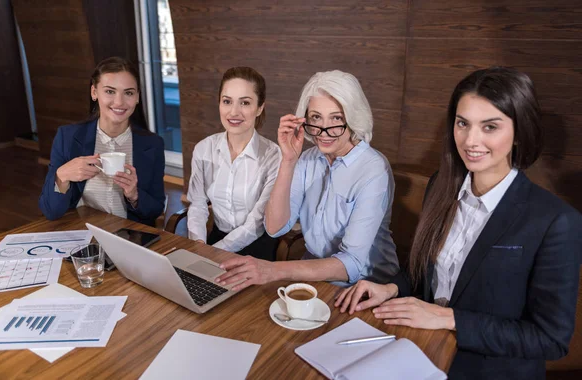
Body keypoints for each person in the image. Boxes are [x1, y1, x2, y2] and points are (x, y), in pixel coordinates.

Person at [335, 67, 582, 379]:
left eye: (490, 127)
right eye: (463, 123)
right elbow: (424, 274)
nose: (470, 140)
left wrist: (449, 318)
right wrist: (389, 288)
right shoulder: (441, 186)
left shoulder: (556, 221)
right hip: (419, 352)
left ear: (519, 132)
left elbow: (550, 339)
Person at [215, 70, 399, 290]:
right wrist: (288, 160)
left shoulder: (374, 168)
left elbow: (351, 263)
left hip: (366, 285)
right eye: (316, 117)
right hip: (315, 276)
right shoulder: (308, 159)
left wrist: (272, 270)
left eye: (337, 118)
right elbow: (275, 227)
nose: (324, 131)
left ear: (353, 118)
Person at [39, 57, 165, 226]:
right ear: (94, 92)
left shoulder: (153, 144)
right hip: (83, 235)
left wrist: (134, 195)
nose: (119, 102)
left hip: (129, 237)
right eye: (110, 91)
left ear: (137, 97)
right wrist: (63, 175)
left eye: (128, 93)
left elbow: (156, 209)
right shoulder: (67, 137)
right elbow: (51, 212)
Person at [186, 67, 281, 261]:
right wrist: (198, 244)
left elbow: (257, 222)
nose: (233, 112)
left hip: (257, 247)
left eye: (245, 103)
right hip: (215, 239)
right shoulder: (204, 149)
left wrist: (214, 252)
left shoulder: (273, 155)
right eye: (227, 101)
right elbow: (197, 204)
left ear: (260, 107)